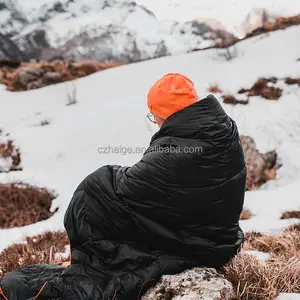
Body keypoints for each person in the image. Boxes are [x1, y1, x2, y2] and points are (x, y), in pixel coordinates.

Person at [0, 73, 246, 300]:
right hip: (220, 237)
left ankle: (94, 260)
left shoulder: (177, 150)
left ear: (167, 114)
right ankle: (93, 259)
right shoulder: (221, 129)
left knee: (93, 190)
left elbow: (129, 189)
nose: (156, 122)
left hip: (199, 245)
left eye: (155, 115)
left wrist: (104, 181)